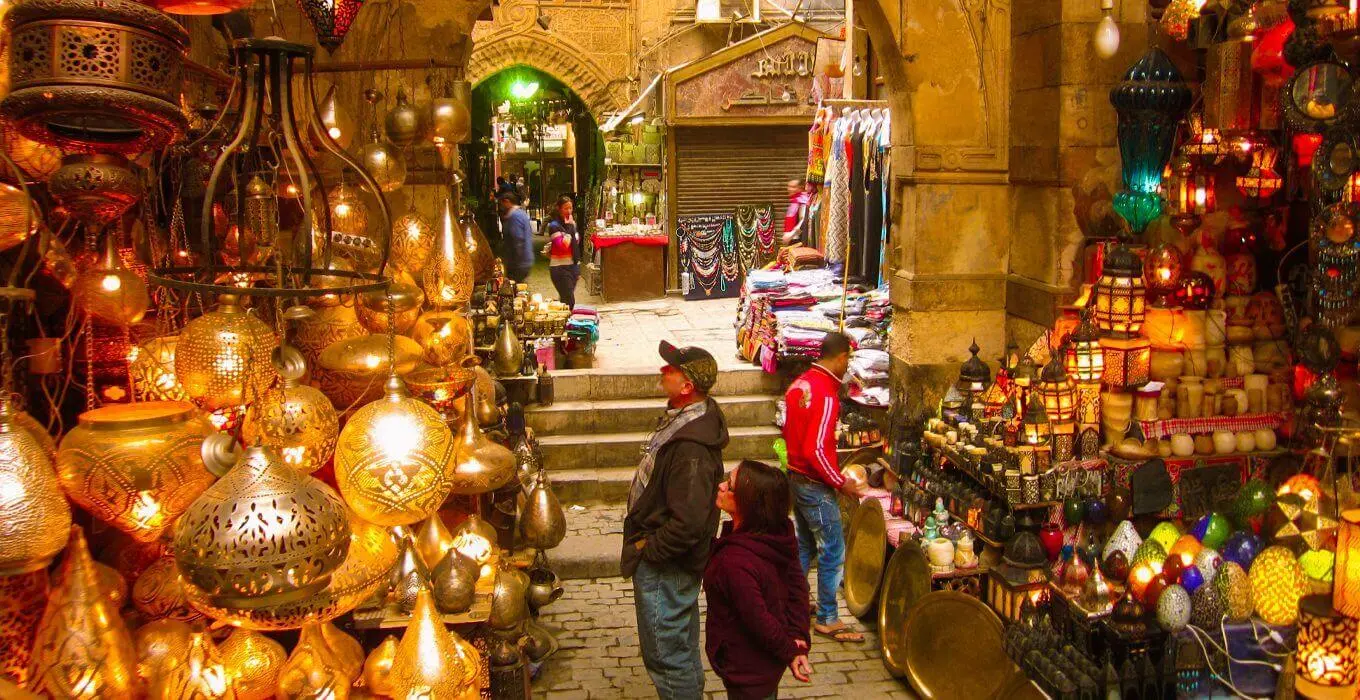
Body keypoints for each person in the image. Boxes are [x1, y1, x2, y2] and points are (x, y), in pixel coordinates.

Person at [623, 341, 729, 700]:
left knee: (667, 655)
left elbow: (689, 521)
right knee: (678, 645)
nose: (661, 371)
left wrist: (649, 548)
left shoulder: (691, 449)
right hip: (667, 559)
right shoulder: (687, 421)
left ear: (687, 386)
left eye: (670, 369)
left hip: (667, 563)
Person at [781, 331, 865, 643]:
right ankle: (828, 617)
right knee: (832, 548)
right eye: (849, 359)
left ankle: (795, 602)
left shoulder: (800, 383)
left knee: (805, 544)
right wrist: (840, 482)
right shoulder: (826, 394)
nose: (848, 365)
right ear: (841, 357)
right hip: (813, 483)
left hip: (796, 476)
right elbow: (816, 449)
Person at [705, 460, 813, 699]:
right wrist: (796, 643)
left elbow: (759, 619)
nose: (721, 486)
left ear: (749, 502)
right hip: (763, 667)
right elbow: (797, 587)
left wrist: (792, 647)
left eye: (730, 486)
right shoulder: (778, 532)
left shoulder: (735, 561)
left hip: (749, 670)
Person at [544, 195, 580, 308]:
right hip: (560, 268)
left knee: (565, 301)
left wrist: (571, 229)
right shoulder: (554, 226)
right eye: (566, 208)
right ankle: (570, 324)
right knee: (569, 301)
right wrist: (570, 229)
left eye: (570, 208)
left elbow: (577, 241)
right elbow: (563, 246)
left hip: (573, 266)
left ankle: (563, 322)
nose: (569, 211)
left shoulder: (572, 224)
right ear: (559, 209)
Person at [498, 191, 535, 284]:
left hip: (518, 262)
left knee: (514, 287)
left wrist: (516, 261)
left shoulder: (514, 216)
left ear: (507, 202)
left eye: (502, 203)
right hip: (524, 259)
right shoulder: (521, 214)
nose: (501, 207)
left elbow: (517, 239)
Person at [782, 179, 811, 245]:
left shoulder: (802, 200)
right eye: (789, 186)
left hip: (798, 240)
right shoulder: (794, 201)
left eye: (793, 187)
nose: (790, 189)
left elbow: (804, 220)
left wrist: (791, 234)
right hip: (792, 239)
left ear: (800, 188)